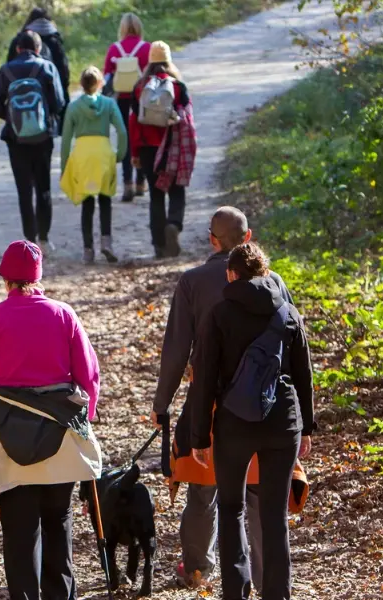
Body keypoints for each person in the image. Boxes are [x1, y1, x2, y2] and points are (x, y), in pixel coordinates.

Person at [151, 207, 292, 589]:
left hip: (212, 403)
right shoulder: (275, 282)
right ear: (249, 239)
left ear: (212, 240)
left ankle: (198, 566)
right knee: (260, 495)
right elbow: (291, 345)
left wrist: (162, 403)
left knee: (205, 490)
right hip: (267, 403)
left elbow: (177, 350)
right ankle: (265, 580)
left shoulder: (193, 282)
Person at [0, 240, 103, 600]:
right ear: (39, 277)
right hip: (60, 437)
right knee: (58, 521)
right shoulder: (63, 314)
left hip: (8, 438)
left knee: (20, 534)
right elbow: (89, 377)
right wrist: (86, 421)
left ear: (5, 279)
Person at [189, 243, 315, 600]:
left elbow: (205, 380)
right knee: (274, 515)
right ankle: (277, 594)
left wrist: (200, 437)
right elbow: (303, 374)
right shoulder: (288, 313)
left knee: (230, 509)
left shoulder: (219, 315)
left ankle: (236, 593)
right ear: (264, 272)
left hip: (234, 425)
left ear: (231, 274)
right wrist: (306, 426)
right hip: (283, 424)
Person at [0, 31, 67, 250]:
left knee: (24, 190)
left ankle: (30, 240)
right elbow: (59, 103)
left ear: (17, 49)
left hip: (15, 140)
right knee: (43, 187)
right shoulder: (46, 68)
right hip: (43, 138)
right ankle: (44, 239)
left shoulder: (5, 70)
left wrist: (15, 120)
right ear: (38, 49)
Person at [130, 41, 196, 259]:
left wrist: (135, 153)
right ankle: (174, 225)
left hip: (148, 150)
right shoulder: (178, 87)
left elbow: (134, 121)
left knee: (156, 196)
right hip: (171, 148)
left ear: (150, 60)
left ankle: (159, 246)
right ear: (169, 60)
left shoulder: (140, 86)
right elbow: (187, 120)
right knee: (177, 190)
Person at [60, 66, 127, 264]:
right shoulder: (109, 104)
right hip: (104, 153)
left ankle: (88, 249)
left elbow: (65, 140)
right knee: (105, 200)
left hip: (83, 155)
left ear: (81, 84)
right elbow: (122, 131)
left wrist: (65, 166)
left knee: (87, 203)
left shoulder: (73, 107)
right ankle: (107, 242)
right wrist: (119, 155)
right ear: (100, 84)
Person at [102, 13, 150, 202]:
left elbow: (107, 75)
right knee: (142, 138)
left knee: (125, 139)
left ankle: (127, 182)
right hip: (141, 98)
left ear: (122, 28)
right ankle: (141, 181)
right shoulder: (146, 48)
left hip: (121, 99)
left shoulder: (114, 49)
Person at [7, 7, 71, 114]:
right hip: (47, 98)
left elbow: (9, 65)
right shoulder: (54, 41)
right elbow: (63, 72)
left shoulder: (18, 40)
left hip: (19, 99)